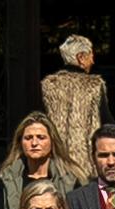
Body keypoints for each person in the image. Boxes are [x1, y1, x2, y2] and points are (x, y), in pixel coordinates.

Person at [0, 111, 77, 209]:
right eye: (28, 138)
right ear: (20, 142)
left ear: (52, 141)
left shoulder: (69, 180)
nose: (34, 143)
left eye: (41, 137)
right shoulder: (7, 179)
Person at [39, 34, 110, 181]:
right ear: (81, 58)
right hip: (86, 165)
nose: (93, 61)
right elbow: (107, 122)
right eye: (91, 56)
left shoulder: (48, 86)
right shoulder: (95, 86)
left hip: (55, 164)